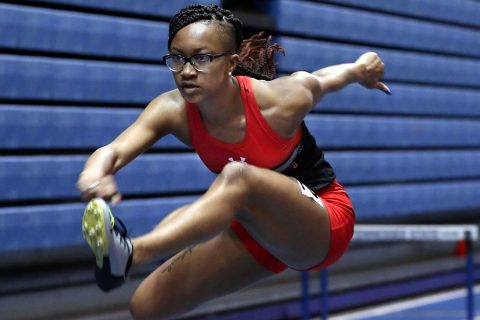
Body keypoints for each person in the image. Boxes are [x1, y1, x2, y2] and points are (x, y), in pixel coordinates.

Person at [77, 4, 389, 320]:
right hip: (258, 231)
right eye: (177, 58)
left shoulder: (280, 100)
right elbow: (113, 150)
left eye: (201, 58)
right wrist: (95, 174)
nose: (186, 71)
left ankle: (132, 253)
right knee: (146, 307)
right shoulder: (172, 110)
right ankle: (127, 256)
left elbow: (325, 78)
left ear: (232, 62)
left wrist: (362, 68)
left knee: (237, 176)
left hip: (322, 223)